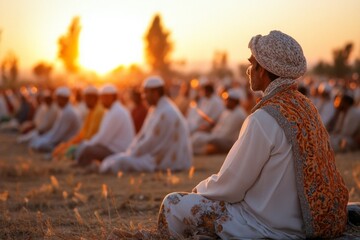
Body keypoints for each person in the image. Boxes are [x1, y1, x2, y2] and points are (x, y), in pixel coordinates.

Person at [158, 30, 349, 239]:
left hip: (268, 226)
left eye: (252, 64)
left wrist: (200, 188)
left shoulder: (264, 118)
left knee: (173, 203)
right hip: (304, 223)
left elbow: (230, 187)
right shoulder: (306, 107)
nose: (249, 71)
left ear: (263, 70)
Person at [99, 76, 192, 173]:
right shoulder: (155, 109)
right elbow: (142, 135)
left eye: (145, 93)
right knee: (114, 159)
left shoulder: (166, 112)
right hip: (154, 155)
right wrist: (130, 151)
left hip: (165, 161)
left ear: (155, 93)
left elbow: (150, 142)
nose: (143, 96)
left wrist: (131, 153)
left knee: (120, 161)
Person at [75, 84, 135, 166]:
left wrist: (88, 144)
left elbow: (103, 139)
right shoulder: (112, 111)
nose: (103, 100)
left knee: (87, 149)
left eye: (106, 97)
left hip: (118, 151)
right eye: (102, 97)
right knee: (85, 146)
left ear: (114, 97)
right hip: (113, 148)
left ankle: (82, 168)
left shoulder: (117, 112)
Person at [52, 86, 105, 159]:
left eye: (86, 99)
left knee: (68, 151)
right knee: (61, 148)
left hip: (91, 145)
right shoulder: (91, 111)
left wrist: (72, 145)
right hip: (84, 142)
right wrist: (68, 143)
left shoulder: (99, 112)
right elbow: (82, 133)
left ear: (93, 98)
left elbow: (90, 136)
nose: (85, 101)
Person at [191, 88, 247, 155]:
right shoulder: (227, 111)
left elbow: (227, 134)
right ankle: (192, 150)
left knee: (199, 138)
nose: (226, 102)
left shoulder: (239, 114)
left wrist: (212, 135)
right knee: (197, 136)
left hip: (228, 141)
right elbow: (219, 127)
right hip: (219, 137)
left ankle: (192, 151)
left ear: (234, 101)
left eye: (228, 100)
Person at [30, 86, 81, 153]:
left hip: (66, 142)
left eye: (59, 99)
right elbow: (55, 130)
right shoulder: (64, 110)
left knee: (41, 145)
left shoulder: (69, 112)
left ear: (65, 99)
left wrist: (45, 140)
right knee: (37, 140)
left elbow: (59, 134)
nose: (57, 101)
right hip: (59, 139)